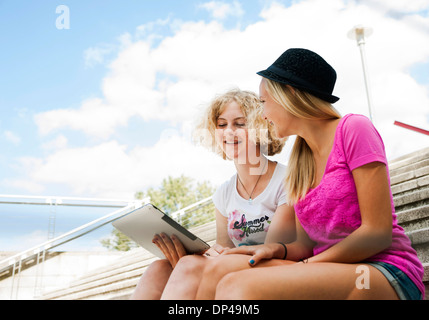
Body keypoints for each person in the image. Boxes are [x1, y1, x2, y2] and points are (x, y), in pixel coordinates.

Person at [211, 48, 425, 300]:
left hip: (382, 271)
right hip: (329, 269)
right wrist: (275, 249)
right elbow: (304, 245)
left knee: (239, 287)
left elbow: (376, 234)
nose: (263, 114)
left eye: (263, 102)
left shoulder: (354, 128)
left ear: (289, 94)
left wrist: (309, 266)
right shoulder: (301, 159)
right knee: (221, 274)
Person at [130, 89, 295, 300]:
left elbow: (272, 249)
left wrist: (207, 258)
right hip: (236, 265)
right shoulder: (224, 193)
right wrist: (198, 253)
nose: (228, 132)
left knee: (190, 264)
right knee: (159, 267)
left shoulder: (287, 179)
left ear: (260, 127)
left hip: (276, 265)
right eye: (222, 124)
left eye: (239, 123)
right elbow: (224, 248)